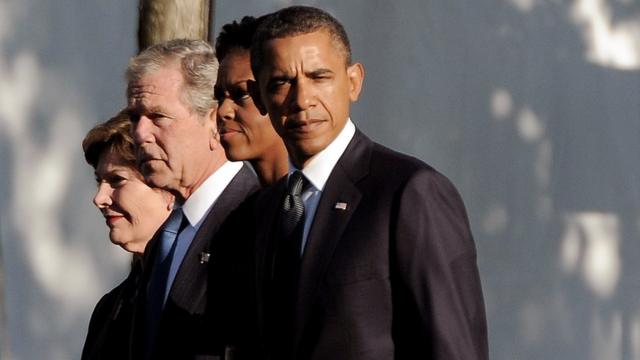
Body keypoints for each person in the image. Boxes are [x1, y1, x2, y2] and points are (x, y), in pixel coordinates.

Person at [249, 6, 489, 359]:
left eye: (319, 77)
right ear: (259, 99)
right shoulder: (267, 211)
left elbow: (452, 349)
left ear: (354, 82)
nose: (302, 100)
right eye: (282, 83)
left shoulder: (409, 192)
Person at [126, 39, 259, 359]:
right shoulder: (166, 235)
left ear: (214, 121)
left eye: (158, 117)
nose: (140, 134)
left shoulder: (255, 221)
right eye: (134, 117)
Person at [81, 110, 174, 360]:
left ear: (167, 189)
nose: (99, 198)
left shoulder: (208, 289)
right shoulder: (110, 310)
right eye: (99, 181)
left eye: (117, 180)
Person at [214, 16, 288, 186]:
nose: (223, 111)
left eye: (241, 94)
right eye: (218, 97)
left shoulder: (331, 199)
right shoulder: (244, 211)